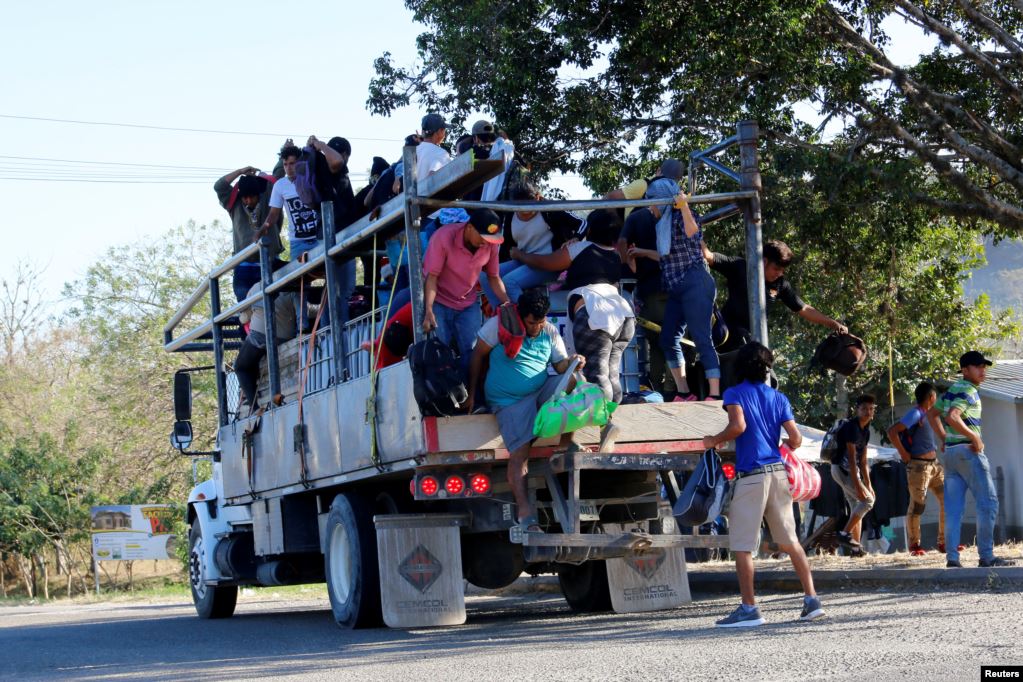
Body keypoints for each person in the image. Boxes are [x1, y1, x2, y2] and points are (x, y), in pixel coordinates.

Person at [703, 342, 825, 627]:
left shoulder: (734, 393)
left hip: (752, 476)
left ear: (740, 367)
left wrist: (714, 441)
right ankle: (811, 600)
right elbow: (795, 440)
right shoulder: (779, 398)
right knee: (791, 541)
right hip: (778, 473)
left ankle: (749, 609)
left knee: (743, 545)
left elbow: (738, 427)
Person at [510, 209, 634, 452]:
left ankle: (606, 426)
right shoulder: (615, 255)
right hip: (623, 314)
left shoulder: (581, 248)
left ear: (591, 229)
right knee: (612, 374)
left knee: (596, 374)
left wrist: (518, 254)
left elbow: (545, 263)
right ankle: (610, 420)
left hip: (593, 313)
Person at [467, 288, 584, 530]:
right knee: (520, 456)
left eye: (541, 321)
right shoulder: (497, 326)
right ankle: (525, 513)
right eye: (532, 323)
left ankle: (565, 444)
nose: (537, 327)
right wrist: (471, 394)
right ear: (521, 317)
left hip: (538, 392)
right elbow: (477, 355)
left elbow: (561, 366)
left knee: (575, 380)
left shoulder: (548, 330)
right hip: (508, 401)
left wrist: (574, 362)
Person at [629, 178, 719, 400]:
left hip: (695, 282)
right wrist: (641, 252)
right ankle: (683, 391)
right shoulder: (663, 226)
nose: (650, 208)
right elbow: (667, 256)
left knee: (701, 337)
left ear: (663, 202)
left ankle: (715, 394)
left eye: (652, 203)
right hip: (676, 287)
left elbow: (694, 234)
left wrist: (684, 206)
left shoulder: (682, 216)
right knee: (668, 338)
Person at [928, 351, 1016, 568]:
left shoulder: (951, 391)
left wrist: (945, 438)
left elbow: (932, 415)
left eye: (983, 366)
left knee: (953, 509)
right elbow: (952, 417)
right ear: (965, 371)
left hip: (950, 455)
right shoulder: (968, 390)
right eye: (977, 367)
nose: (982, 370)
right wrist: (974, 436)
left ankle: (952, 558)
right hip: (968, 453)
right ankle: (986, 556)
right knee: (988, 503)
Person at [422, 208, 510, 379]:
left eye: (490, 239)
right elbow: (432, 277)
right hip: (439, 302)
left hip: (467, 303)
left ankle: (471, 398)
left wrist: (508, 303)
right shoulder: (443, 237)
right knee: (441, 352)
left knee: (473, 351)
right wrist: (429, 310)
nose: (486, 242)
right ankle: (446, 398)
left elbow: (494, 277)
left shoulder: (490, 245)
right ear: (469, 227)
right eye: (483, 237)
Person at [704, 240, 847, 343]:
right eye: (776, 269)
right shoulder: (741, 267)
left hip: (755, 340)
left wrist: (833, 324)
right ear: (764, 261)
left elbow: (803, 308)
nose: (779, 273)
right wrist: (691, 226)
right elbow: (708, 256)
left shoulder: (780, 284)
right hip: (727, 335)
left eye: (783, 270)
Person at [480, 182, 584, 304]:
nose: (525, 212)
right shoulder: (510, 215)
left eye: (529, 206)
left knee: (510, 282)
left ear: (537, 197)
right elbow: (506, 246)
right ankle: (501, 313)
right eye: (520, 208)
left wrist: (576, 237)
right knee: (485, 275)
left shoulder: (550, 209)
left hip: (548, 264)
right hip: (523, 261)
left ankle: (525, 317)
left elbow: (582, 223)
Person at [617, 201, 675, 398]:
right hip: (673, 289)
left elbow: (622, 244)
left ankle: (658, 390)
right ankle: (671, 391)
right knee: (674, 342)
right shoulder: (675, 216)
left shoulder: (635, 218)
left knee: (657, 345)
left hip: (648, 293)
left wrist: (629, 263)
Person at [887, 382, 946, 556]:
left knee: (947, 500)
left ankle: (944, 542)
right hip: (918, 467)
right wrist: (903, 453)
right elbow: (892, 431)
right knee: (918, 506)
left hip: (934, 465)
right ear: (931, 397)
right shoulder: (916, 413)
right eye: (935, 395)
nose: (936, 398)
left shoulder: (929, 414)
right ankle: (915, 545)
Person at [214, 166, 283, 302]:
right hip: (244, 266)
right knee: (246, 310)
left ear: (259, 194)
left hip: (270, 262)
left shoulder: (269, 197)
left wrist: (284, 152)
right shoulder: (233, 203)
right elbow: (219, 186)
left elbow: (279, 174)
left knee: (274, 305)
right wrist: (240, 171)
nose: (249, 201)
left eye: (252, 197)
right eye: (245, 198)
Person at [234, 281, 297, 412]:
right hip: (286, 336)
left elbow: (245, 318)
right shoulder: (292, 283)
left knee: (240, 366)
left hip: (261, 334)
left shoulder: (256, 287)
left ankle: (253, 407)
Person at [260, 142, 322, 264]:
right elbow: (274, 213)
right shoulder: (280, 185)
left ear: (299, 162)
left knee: (328, 272)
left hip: (320, 237)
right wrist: (264, 227)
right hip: (297, 242)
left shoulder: (311, 177)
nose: (288, 167)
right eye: (285, 164)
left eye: (292, 163)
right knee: (300, 281)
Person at [831, 395, 877, 555]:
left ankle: (855, 548)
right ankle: (844, 534)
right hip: (842, 470)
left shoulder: (866, 430)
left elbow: (863, 460)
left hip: (849, 471)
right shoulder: (851, 427)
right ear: (857, 410)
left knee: (856, 507)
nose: (868, 412)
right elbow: (851, 459)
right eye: (864, 408)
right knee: (868, 501)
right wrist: (858, 485)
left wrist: (868, 484)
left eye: (871, 409)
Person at [603, 158, 684, 221]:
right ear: (658, 171)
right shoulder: (643, 185)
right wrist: (618, 228)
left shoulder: (675, 193)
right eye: (663, 180)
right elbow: (610, 197)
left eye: (671, 182)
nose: (666, 185)